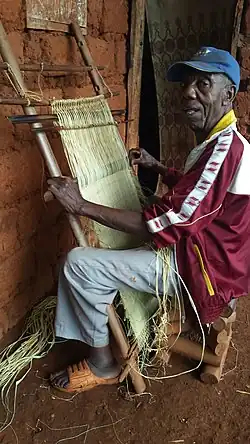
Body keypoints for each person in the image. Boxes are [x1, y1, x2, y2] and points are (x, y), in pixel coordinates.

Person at [48, 47, 250, 393]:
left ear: (228, 94)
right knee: (149, 218)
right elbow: (202, 195)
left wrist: (81, 205)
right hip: (217, 257)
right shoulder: (225, 142)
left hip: (200, 270)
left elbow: (171, 220)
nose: (188, 92)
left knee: (78, 264)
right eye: (187, 84)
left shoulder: (223, 151)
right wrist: (161, 170)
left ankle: (103, 364)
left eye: (203, 84)